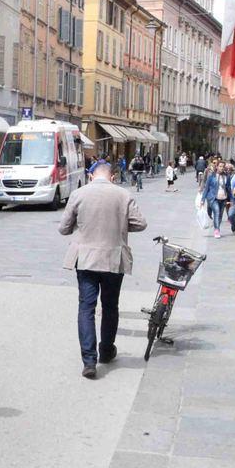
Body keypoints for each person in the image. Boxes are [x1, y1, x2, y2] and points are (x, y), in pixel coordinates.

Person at [58, 162, 147, 379]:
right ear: (112, 177)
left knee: (86, 308)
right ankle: (106, 351)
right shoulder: (123, 195)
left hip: (86, 260)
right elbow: (141, 223)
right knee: (110, 306)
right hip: (113, 260)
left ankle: (89, 361)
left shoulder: (78, 194)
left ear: (91, 176)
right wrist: (120, 226)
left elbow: (63, 228)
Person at [201, 162, 231, 239]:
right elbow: (206, 188)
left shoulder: (227, 176)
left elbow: (229, 189)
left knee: (220, 215)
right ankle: (217, 230)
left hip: (223, 198)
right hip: (213, 198)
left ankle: (216, 224)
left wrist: (231, 199)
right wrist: (202, 200)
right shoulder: (211, 176)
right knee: (217, 212)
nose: (222, 168)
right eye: (220, 166)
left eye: (223, 167)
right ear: (217, 167)